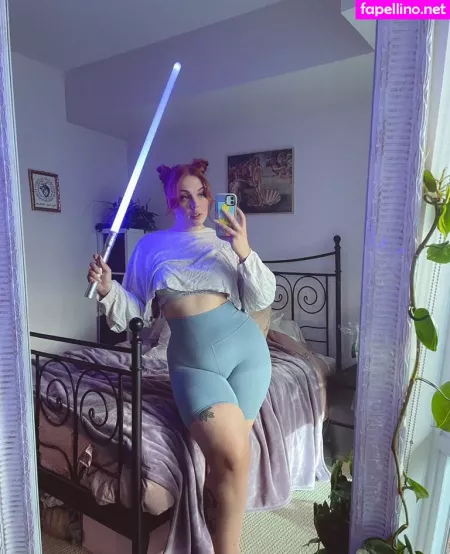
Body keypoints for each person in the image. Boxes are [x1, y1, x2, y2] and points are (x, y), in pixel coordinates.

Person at [87, 158, 276, 554]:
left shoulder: (225, 242)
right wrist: (107, 289)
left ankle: (217, 539)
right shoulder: (150, 246)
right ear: (172, 202)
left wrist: (243, 249)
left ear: (210, 197)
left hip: (248, 357)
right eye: (184, 197)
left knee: (228, 462)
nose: (195, 205)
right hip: (193, 364)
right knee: (231, 456)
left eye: (202, 195)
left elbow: (261, 297)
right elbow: (134, 312)